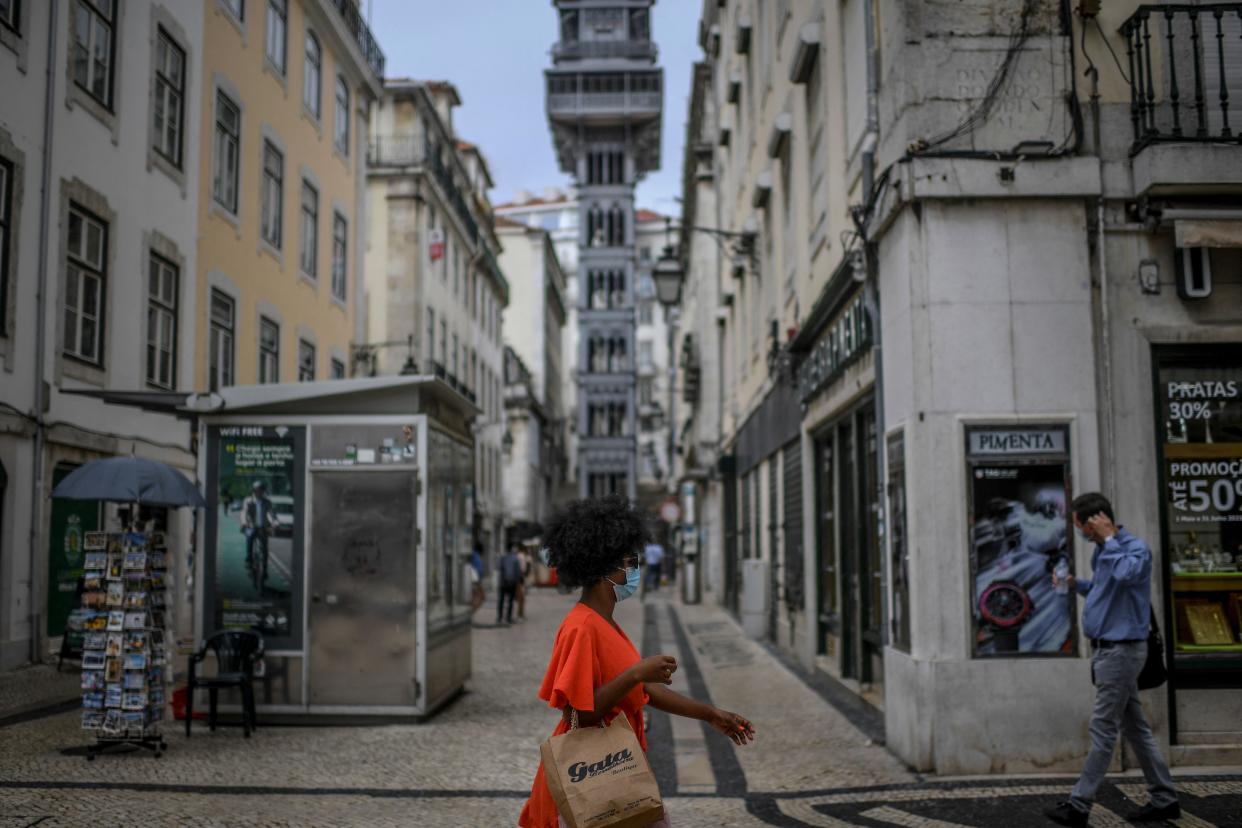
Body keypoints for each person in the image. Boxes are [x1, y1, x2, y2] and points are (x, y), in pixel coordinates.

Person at [518, 496, 755, 828]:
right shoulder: (581, 627)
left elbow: (645, 690)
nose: (632, 570)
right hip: (591, 779)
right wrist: (634, 673)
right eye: (629, 561)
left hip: (619, 770)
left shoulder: (605, 622)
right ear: (604, 569)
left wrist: (711, 714)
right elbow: (579, 712)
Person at [1044, 492, 1179, 827]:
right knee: (1136, 729)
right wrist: (1077, 585)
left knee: (1103, 729)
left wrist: (1110, 539)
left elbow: (1128, 576)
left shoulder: (1133, 548)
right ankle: (1165, 798)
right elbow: (1108, 590)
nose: (1079, 532)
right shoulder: (1104, 553)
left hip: (1121, 652)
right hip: (1108, 650)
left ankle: (1079, 805)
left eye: (1080, 525)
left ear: (1095, 522)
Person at [240, 481, 276, 589]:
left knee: (264, 550)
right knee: (250, 537)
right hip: (251, 526)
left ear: (263, 491)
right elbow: (244, 512)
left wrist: (274, 522)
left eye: (260, 490)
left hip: (263, 528)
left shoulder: (267, 502)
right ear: (253, 491)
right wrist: (244, 522)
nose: (258, 493)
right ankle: (249, 559)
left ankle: (264, 570)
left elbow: (271, 513)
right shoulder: (248, 501)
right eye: (256, 490)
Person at [498, 545, 522, 625]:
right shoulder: (515, 559)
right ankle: (508, 618)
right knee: (510, 601)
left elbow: (500, 569)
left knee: (501, 600)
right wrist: (517, 581)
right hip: (512, 583)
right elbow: (518, 572)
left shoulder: (502, 558)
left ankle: (500, 617)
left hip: (503, 583)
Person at [516, 545, 532, 620]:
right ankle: (520, 614)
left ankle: (520, 613)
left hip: (517, 579)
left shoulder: (517, 556)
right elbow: (523, 569)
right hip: (520, 579)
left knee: (520, 597)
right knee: (521, 597)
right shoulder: (522, 557)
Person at [470, 545, 485, 614]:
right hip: (476, 581)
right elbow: (479, 570)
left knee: (474, 597)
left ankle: (471, 611)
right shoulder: (477, 557)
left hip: (474, 581)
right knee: (482, 597)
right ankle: (471, 612)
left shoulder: (473, 555)